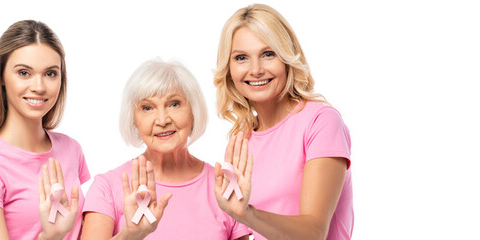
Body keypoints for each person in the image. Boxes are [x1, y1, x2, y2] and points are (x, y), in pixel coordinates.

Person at [212, 4, 354, 240]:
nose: (255, 70)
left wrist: (247, 214)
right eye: (241, 58)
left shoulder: (321, 122)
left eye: (268, 54)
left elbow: (314, 233)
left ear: (287, 57)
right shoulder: (241, 139)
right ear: (229, 70)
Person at [81, 59, 251, 239]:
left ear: (193, 111)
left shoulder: (225, 188)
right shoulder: (106, 187)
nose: (162, 121)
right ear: (133, 119)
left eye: (174, 104)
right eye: (147, 108)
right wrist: (130, 235)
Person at [0, 20, 90, 240]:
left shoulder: (71, 149)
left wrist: (129, 234)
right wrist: (49, 237)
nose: (39, 87)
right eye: (24, 73)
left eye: (50, 74)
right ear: (1, 77)